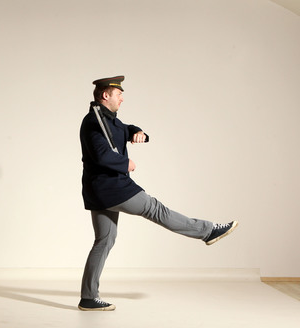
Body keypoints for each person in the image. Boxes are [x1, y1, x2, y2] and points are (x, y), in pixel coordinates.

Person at [78, 75, 238, 311]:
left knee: (104, 240)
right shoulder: (94, 122)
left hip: (100, 190)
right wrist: (126, 164)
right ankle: (207, 231)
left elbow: (123, 128)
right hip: (111, 188)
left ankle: (88, 298)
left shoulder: (107, 119)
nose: (122, 98)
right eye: (118, 94)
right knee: (155, 209)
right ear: (105, 95)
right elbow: (102, 155)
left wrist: (137, 131)